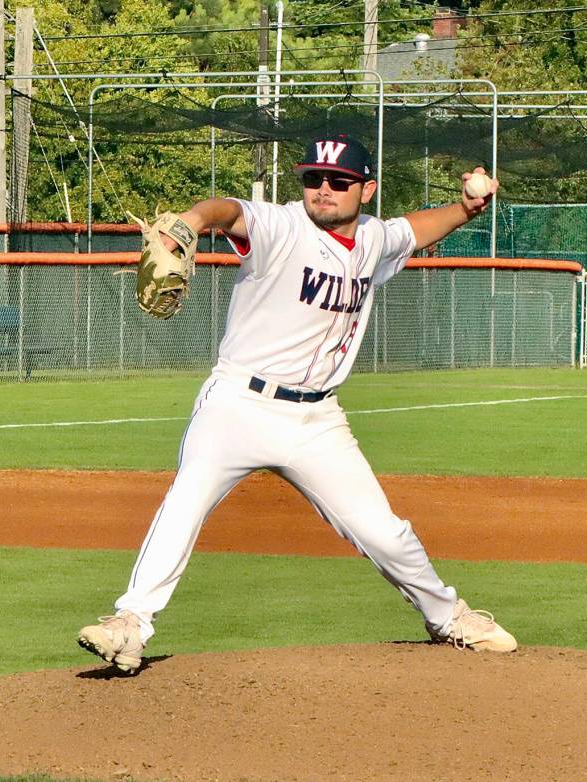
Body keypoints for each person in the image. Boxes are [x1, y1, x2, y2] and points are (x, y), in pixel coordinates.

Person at [77, 134, 516, 674]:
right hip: (238, 402)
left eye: (339, 181)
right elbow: (229, 211)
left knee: (384, 531)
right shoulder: (283, 225)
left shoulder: (375, 239)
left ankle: (448, 617)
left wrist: (468, 209)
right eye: (313, 179)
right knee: (184, 504)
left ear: (367, 189)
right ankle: (129, 623)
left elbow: (417, 229)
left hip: (316, 419)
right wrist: (192, 218)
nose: (324, 189)